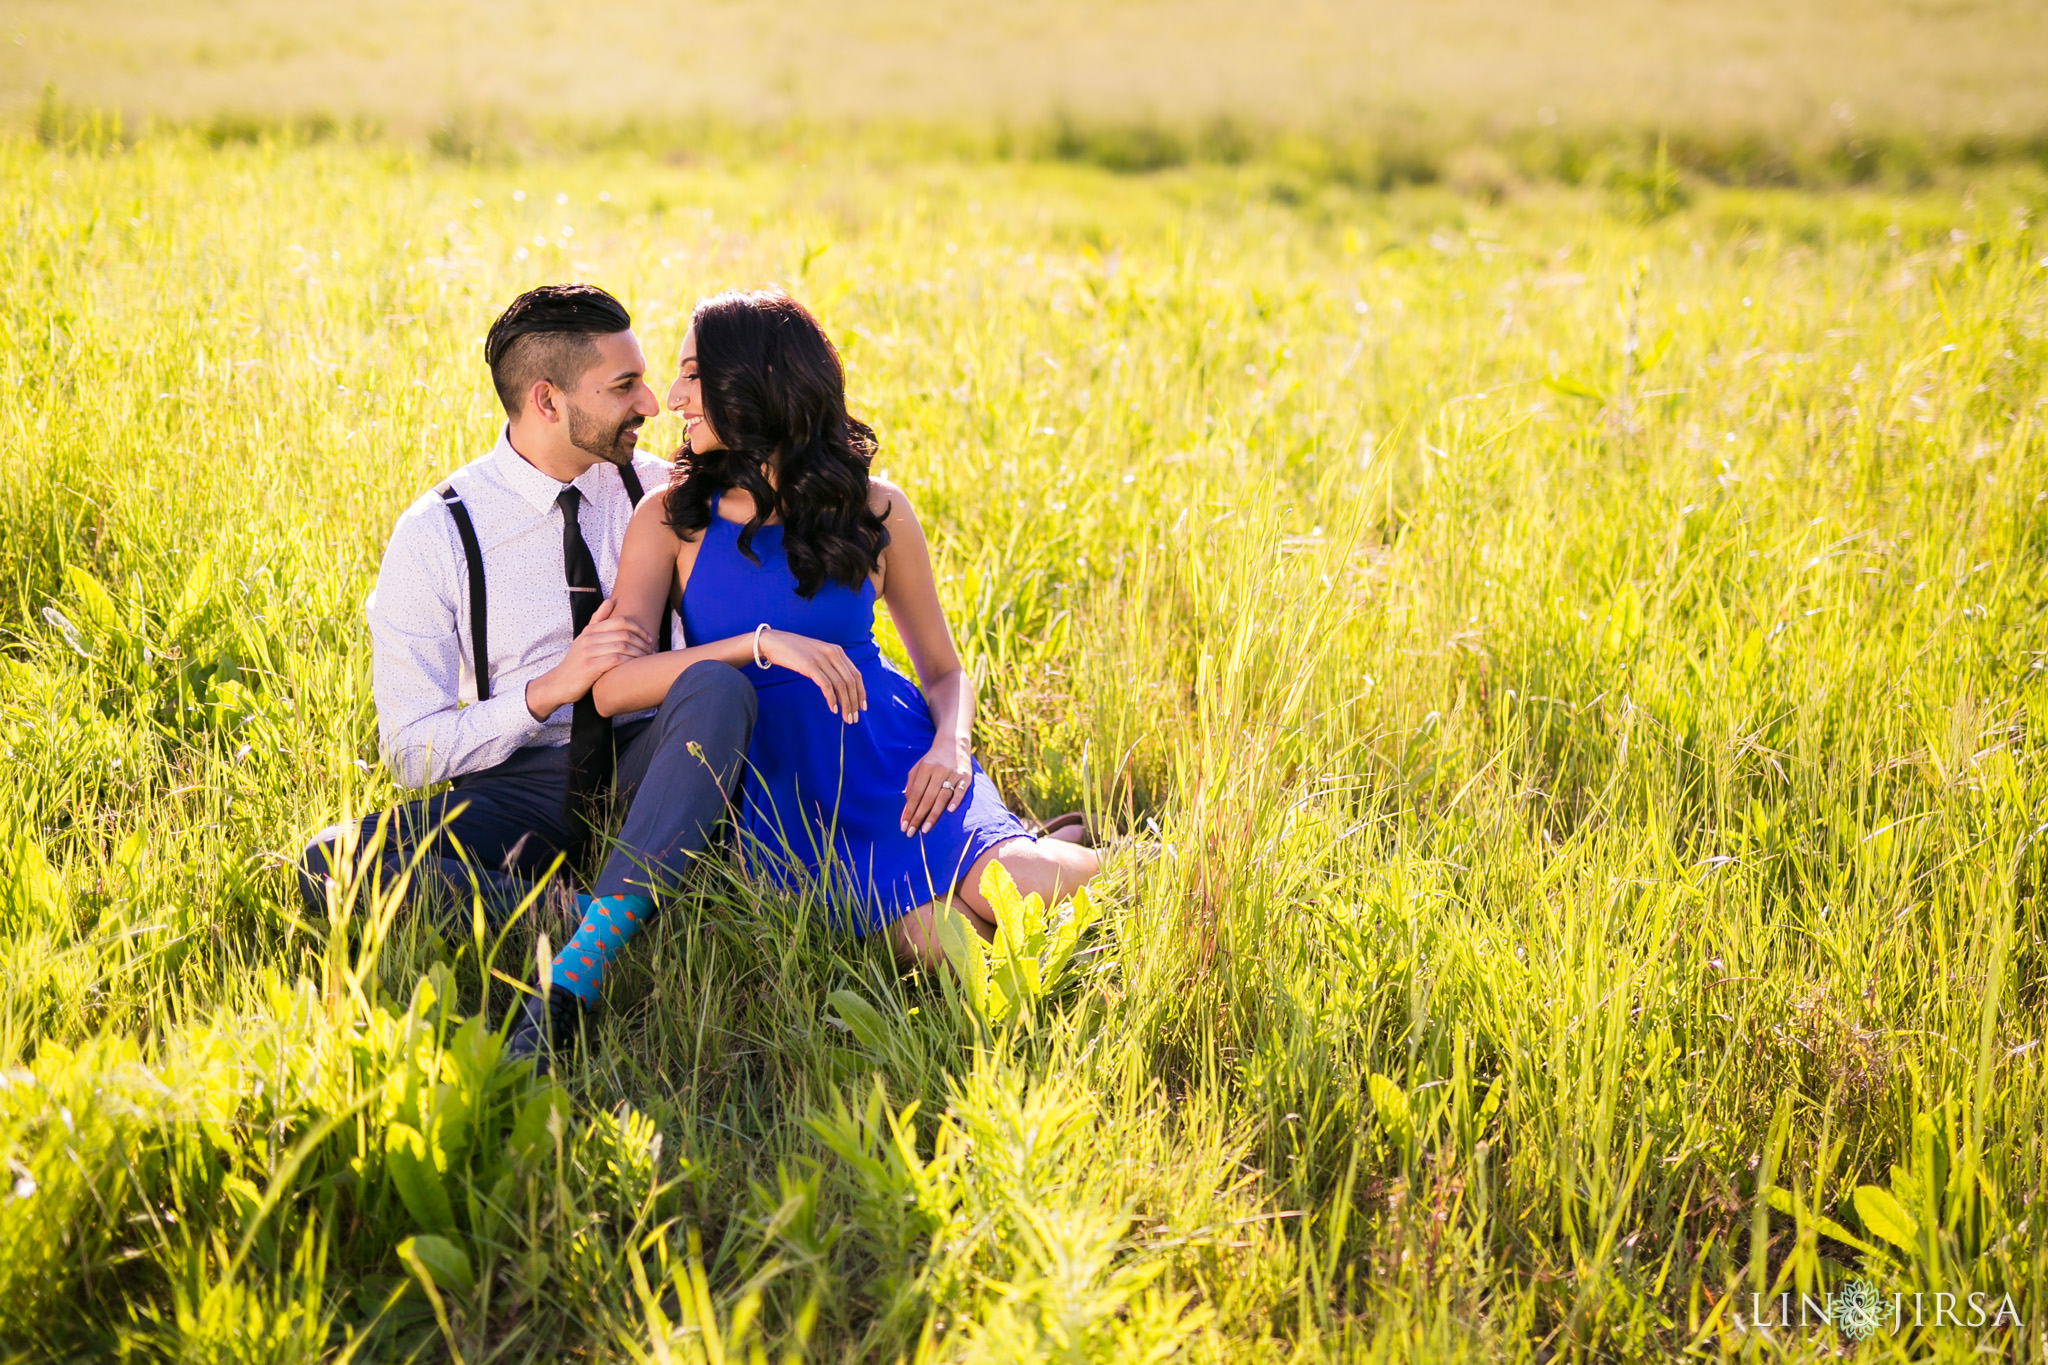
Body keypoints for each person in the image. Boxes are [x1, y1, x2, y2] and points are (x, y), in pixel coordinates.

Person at [295, 283, 756, 1069]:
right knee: (328, 864)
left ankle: (574, 972)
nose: (652, 401)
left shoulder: (672, 494)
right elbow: (410, 753)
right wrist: (547, 689)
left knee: (717, 691)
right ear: (546, 399)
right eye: (622, 387)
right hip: (525, 781)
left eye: (645, 378)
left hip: (658, 764)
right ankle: (608, 917)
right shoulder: (438, 533)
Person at [592, 287, 1099, 967]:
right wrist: (757, 644)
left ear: (756, 383)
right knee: (945, 945)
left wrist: (949, 746)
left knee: (1019, 885)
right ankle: (1050, 844)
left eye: (691, 374)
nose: (675, 397)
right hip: (786, 795)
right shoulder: (670, 517)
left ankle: (1133, 864)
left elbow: (944, 671)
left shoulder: (878, 509)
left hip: (895, 760)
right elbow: (612, 689)